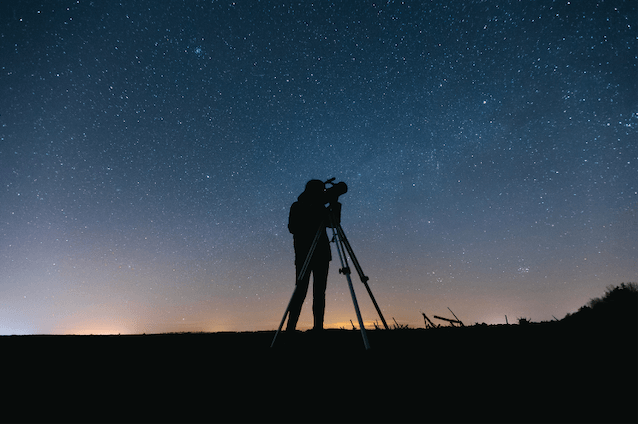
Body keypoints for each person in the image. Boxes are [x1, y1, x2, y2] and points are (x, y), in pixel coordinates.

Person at [286, 179, 338, 332]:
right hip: (304, 254)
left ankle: (318, 328)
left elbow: (334, 223)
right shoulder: (298, 206)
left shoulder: (321, 207)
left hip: (321, 254)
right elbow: (293, 227)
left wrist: (334, 203)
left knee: (319, 292)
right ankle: (290, 328)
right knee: (300, 291)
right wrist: (313, 211)